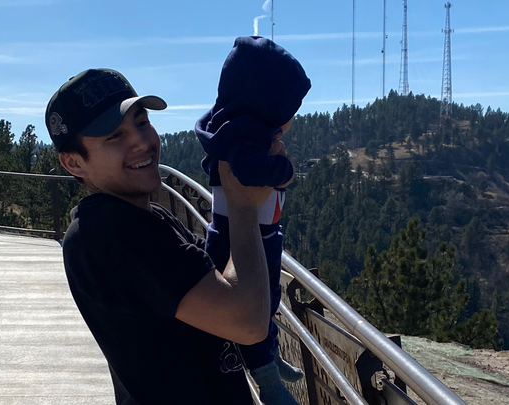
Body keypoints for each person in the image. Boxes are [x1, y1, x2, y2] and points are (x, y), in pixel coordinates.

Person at [46, 68, 278, 404]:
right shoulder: (110, 235)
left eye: (142, 123)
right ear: (73, 163)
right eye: (114, 136)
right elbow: (247, 322)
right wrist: (243, 207)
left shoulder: (144, 217)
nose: (142, 142)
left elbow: (217, 275)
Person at [195, 36, 312, 405]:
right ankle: (268, 381)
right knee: (260, 300)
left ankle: (270, 355)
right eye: (291, 109)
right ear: (270, 106)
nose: (293, 118)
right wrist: (284, 169)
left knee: (270, 299)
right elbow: (254, 173)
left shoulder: (234, 132)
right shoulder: (243, 141)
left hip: (253, 232)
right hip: (244, 236)